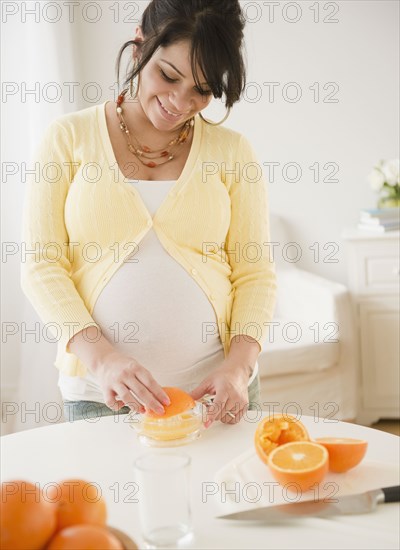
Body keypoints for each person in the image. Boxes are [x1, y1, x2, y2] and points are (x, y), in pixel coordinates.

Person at [21, 0, 277, 426]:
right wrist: (101, 359)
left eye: (201, 90)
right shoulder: (67, 138)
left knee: (229, 494)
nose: (179, 102)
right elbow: (42, 265)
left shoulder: (233, 152)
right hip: (102, 396)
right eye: (168, 75)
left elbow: (255, 273)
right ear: (140, 44)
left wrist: (238, 368)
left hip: (218, 400)